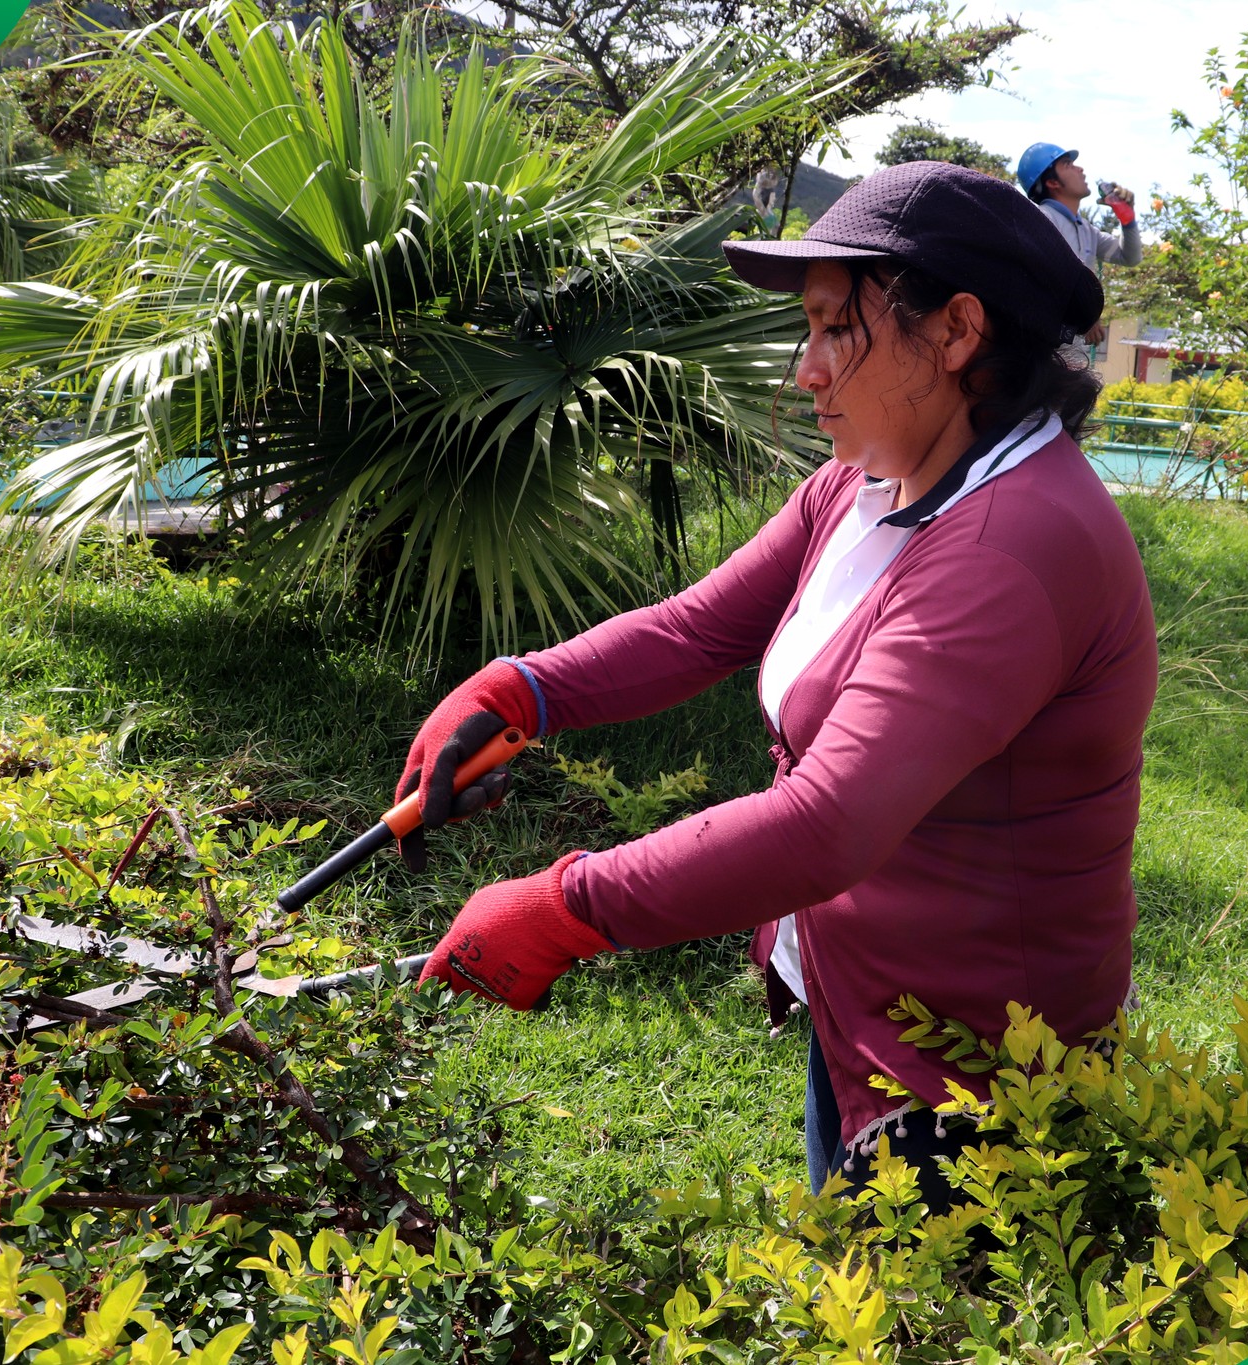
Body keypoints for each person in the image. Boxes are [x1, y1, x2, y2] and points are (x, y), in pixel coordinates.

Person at [399, 160, 1158, 1204]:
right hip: (865, 1006)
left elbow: (825, 824)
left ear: (955, 332)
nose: (804, 371)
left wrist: (567, 905)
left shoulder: (1011, 548)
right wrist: (519, 688)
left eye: (832, 329)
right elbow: (696, 629)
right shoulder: (869, 483)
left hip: (978, 1080)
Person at [1016, 142, 1141, 349]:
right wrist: (1083, 314)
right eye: (1068, 164)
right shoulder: (1042, 220)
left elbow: (1129, 256)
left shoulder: (1086, 230)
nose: (1080, 168)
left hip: (1069, 349)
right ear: (1052, 182)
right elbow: (1042, 281)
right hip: (1042, 348)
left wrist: (1128, 221)